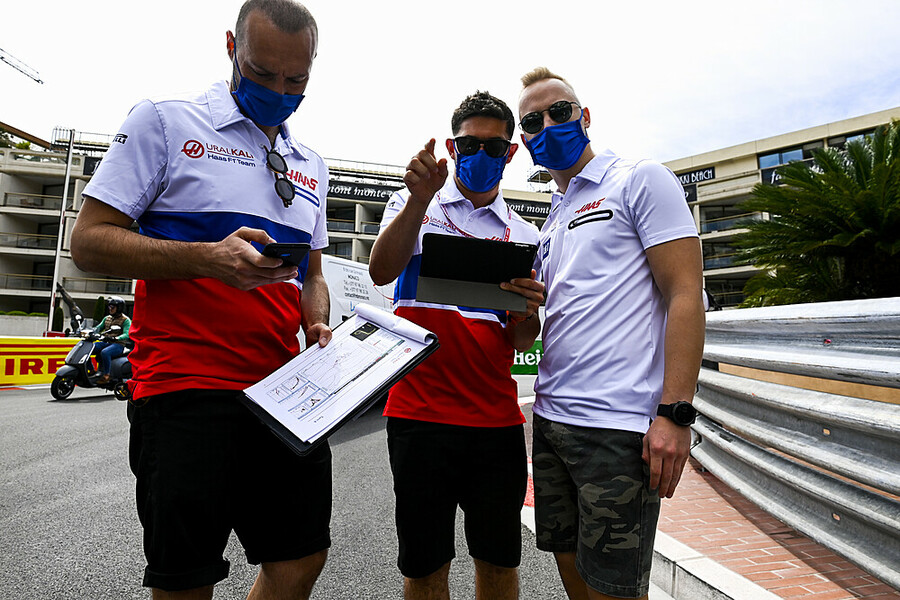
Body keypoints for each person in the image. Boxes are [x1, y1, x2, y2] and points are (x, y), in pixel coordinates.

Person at [69, 1, 333, 598]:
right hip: (183, 388)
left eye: (296, 80)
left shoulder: (310, 164)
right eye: (262, 73)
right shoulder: (163, 121)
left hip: (284, 395)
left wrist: (316, 322)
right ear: (231, 48)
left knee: (301, 558)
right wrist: (206, 258)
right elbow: (87, 242)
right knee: (185, 578)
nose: (279, 91)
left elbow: (311, 275)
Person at [518, 67, 705, 600]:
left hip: (616, 429)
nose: (548, 125)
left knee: (615, 591)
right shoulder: (553, 217)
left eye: (559, 112)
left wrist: (675, 413)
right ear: (525, 139)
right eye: (533, 121)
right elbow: (550, 322)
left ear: (585, 117)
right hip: (551, 420)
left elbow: (686, 293)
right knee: (573, 576)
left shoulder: (639, 178)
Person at [369, 91, 545, 600]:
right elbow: (381, 271)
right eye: (470, 145)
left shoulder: (524, 233)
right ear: (452, 147)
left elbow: (521, 338)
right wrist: (419, 199)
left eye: (495, 147)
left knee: (498, 563)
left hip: (495, 421)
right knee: (425, 569)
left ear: (511, 153)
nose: (482, 155)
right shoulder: (411, 204)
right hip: (418, 414)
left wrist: (527, 313)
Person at [91, 295, 132, 384]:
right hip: (106, 342)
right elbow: (98, 328)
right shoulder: (107, 318)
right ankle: (91, 370)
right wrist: (90, 331)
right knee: (89, 348)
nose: (110, 309)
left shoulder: (126, 320)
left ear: (119, 308)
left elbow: (127, 334)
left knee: (105, 352)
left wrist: (116, 338)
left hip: (118, 344)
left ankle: (107, 375)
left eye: (112, 307)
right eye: (109, 307)